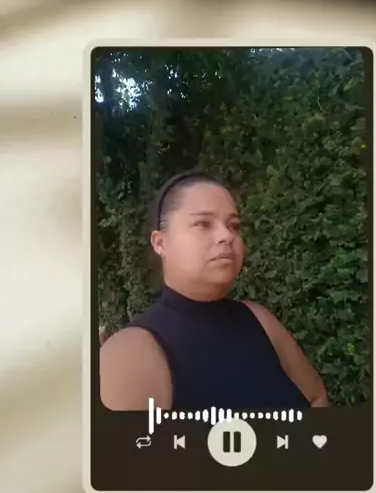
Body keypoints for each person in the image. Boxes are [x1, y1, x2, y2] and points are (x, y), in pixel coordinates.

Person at [100, 170, 328, 411]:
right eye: (203, 224)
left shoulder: (259, 320)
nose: (226, 235)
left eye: (234, 225)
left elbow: (316, 396)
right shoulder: (130, 353)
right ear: (161, 243)